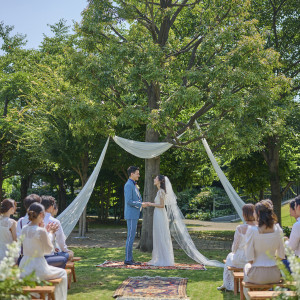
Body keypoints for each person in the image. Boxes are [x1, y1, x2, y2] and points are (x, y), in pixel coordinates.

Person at [19, 202, 68, 300]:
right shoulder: (41, 231)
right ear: (41, 215)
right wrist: (50, 233)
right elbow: (48, 250)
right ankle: (56, 297)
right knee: (63, 273)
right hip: (38, 268)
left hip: (24, 268)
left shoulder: (24, 229)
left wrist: (45, 231)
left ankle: (43, 296)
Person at [243, 200, 285, 300]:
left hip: (257, 275)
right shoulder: (278, 229)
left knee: (246, 266)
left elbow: (249, 258)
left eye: (254, 211)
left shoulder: (252, 230)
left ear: (258, 213)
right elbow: (281, 255)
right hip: (275, 274)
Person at [217, 204, 256, 291]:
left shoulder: (240, 228)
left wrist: (234, 252)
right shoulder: (259, 228)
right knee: (229, 258)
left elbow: (235, 246)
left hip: (241, 258)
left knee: (229, 257)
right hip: (254, 258)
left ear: (244, 214)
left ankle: (228, 284)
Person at [147, 175, 174, 266]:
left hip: (160, 214)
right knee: (158, 234)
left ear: (160, 181)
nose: (154, 179)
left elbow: (162, 205)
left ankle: (164, 259)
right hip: (158, 214)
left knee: (161, 234)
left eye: (156, 178)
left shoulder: (161, 191)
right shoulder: (159, 191)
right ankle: (161, 257)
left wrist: (151, 204)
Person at [124, 166, 147, 265]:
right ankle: (128, 259)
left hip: (134, 214)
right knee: (130, 237)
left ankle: (130, 258)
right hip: (131, 215)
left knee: (132, 237)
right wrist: (140, 204)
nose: (139, 175)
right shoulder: (129, 185)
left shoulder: (133, 185)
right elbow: (129, 201)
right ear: (132, 174)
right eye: (137, 173)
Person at [41, 195, 74, 261]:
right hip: (48, 255)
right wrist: (65, 250)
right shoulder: (54, 221)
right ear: (51, 207)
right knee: (70, 253)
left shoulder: (33, 220)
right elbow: (60, 240)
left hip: (33, 255)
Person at [283, 195, 300, 272]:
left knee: (278, 263)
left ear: (298, 207)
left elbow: (290, 249)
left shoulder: (297, 225)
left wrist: (286, 242)